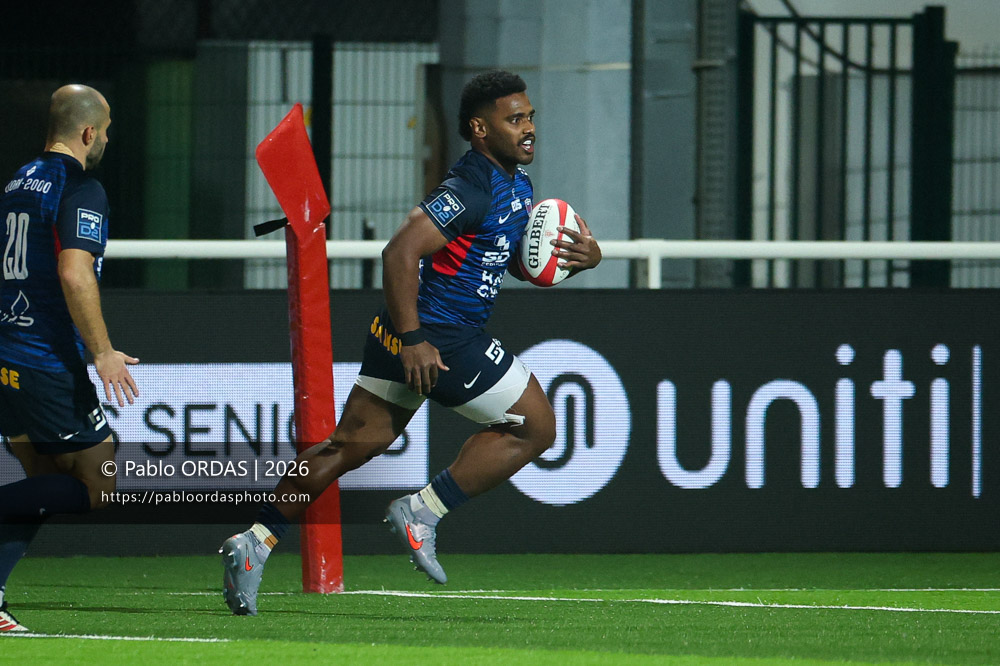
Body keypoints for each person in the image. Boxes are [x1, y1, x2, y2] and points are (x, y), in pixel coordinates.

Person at [221, 70, 602, 615]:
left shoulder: (516, 183)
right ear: (479, 128)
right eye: (514, 119)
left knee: (349, 445)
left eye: (530, 116)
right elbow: (399, 252)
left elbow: (501, 259)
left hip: (409, 331)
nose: (528, 128)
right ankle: (424, 510)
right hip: (441, 338)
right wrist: (416, 340)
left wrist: (581, 259)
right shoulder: (472, 186)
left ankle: (253, 544)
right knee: (536, 426)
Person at [0, 84, 139, 633]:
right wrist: (102, 353)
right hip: (44, 364)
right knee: (95, 483)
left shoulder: (16, 181)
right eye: (104, 131)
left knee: (39, 484)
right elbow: (74, 271)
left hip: (6, 357)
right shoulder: (81, 187)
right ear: (88, 133)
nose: (106, 139)